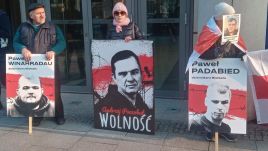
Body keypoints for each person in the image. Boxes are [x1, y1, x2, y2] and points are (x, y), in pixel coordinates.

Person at [186, 2, 247, 141]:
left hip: (229, 73)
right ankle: (210, 130)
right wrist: (217, 51)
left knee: (226, 100)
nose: (231, 20)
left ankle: (225, 130)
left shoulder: (231, 28)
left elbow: (240, 47)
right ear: (220, 18)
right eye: (228, 17)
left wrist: (242, 56)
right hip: (212, 74)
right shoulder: (209, 30)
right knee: (215, 101)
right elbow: (200, 53)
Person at [13, 3, 66, 126]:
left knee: (55, 91)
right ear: (31, 15)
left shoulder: (53, 27)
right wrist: (22, 49)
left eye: (43, 12)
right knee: (34, 90)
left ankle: (59, 115)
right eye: (38, 13)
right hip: (31, 66)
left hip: (49, 65)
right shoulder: (23, 27)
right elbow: (16, 42)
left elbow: (62, 42)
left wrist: (54, 50)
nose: (42, 15)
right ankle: (37, 116)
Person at [0, 10, 11, 110]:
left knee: (5, 79)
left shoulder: (2, 15)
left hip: (2, 52)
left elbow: (7, 32)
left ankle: (17, 102)